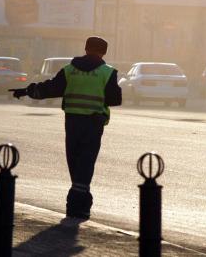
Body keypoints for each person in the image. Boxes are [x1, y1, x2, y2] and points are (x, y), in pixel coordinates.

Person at [9, 36, 122, 220]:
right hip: (94, 123)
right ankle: (78, 202)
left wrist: (26, 91)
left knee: (75, 161)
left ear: (85, 49)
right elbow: (115, 99)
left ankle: (80, 201)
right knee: (86, 162)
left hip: (72, 122)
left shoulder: (70, 70)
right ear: (104, 52)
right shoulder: (107, 72)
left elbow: (50, 88)